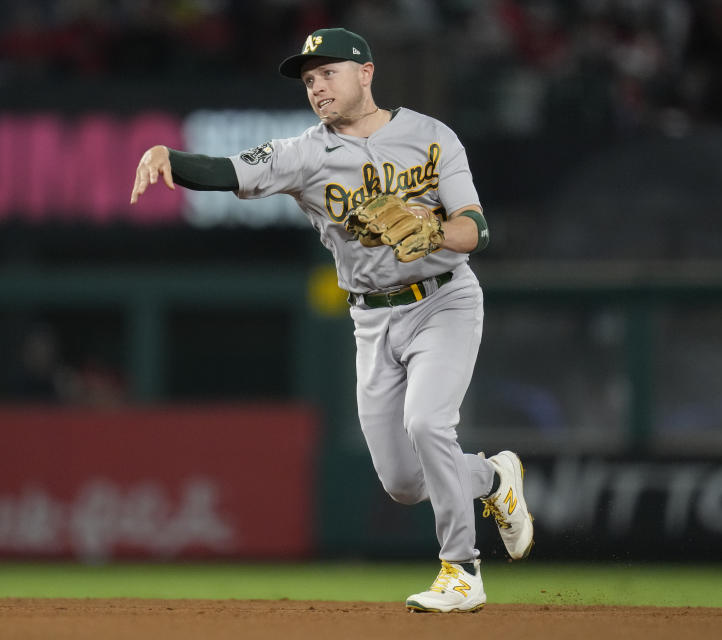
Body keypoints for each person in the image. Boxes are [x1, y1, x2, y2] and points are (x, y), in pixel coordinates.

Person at [130, 27, 533, 613]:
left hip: (445, 301)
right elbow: (229, 170)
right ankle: (494, 480)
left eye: (329, 72)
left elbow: (478, 229)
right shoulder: (306, 154)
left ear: (366, 72)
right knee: (402, 483)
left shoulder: (431, 135)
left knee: (427, 424)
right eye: (310, 79)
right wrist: (171, 158)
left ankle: (462, 571)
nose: (318, 86)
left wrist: (434, 232)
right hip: (372, 319)